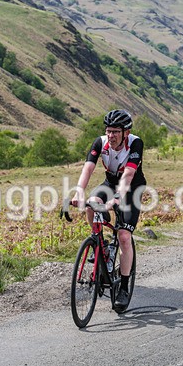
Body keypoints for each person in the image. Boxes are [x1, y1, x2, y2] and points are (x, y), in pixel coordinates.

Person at [71, 109, 146, 312]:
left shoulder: (135, 143)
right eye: (108, 131)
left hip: (131, 188)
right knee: (91, 203)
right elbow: (88, 168)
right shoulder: (100, 142)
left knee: (123, 236)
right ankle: (100, 244)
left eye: (115, 132)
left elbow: (129, 174)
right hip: (109, 183)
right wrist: (79, 192)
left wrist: (116, 200)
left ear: (125, 133)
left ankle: (122, 287)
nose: (111, 135)